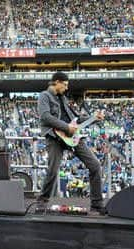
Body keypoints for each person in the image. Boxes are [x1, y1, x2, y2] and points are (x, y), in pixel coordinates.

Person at [36, 72, 105, 214]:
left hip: (72, 136)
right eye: (65, 85)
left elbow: (76, 119)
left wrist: (93, 118)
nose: (66, 88)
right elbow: (45, 116)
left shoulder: (64, 99)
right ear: (56, 82)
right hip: (54, 136)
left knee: (95, 165)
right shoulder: (44, 96)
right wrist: (66, 127)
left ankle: (97, 204)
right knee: (53, 170)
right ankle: (42, 201)